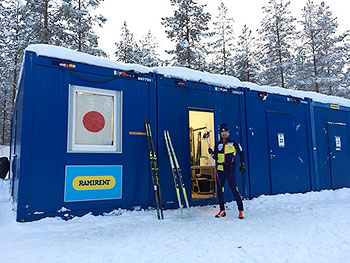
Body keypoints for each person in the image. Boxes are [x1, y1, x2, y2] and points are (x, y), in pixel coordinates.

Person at [208, 123, 246, 219]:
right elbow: (216, 157)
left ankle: (241, 211)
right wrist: (212, 153)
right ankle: (222, 210)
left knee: (234, 189)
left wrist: (242, 164)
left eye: (226, 132)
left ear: (229, 133)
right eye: (222, 132)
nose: (224, 133)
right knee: (220, 190)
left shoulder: (234, 143)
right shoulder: (218, 144)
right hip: (220, 169)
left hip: (230, 168)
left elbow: (242, 153)